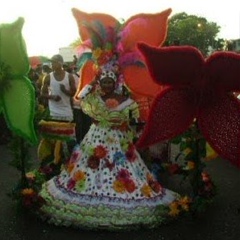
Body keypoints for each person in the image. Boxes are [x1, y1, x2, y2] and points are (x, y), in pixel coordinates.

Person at [38, 68, 178, 230]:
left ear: (115, 83)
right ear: (100, 82)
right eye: (104, 82)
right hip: (95, 138)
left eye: (109, 82)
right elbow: (80, 96)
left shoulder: (126, 101)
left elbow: (135, 118)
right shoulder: (95, 99)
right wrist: (93, 81)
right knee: (91, 167)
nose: (106, 85)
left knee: (121, 169)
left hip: (120, 141)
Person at [40, 54, 76, 122]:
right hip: (53, 112)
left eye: (54, 62)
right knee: (54, 132)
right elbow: (42, 93)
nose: (52, 64)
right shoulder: (48, 77)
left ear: (60, 63)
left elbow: (73, 93)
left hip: (67, 113)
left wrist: (65, 90)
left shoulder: (69, 77)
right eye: (51, 62)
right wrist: (52, 97)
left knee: (67, 132)